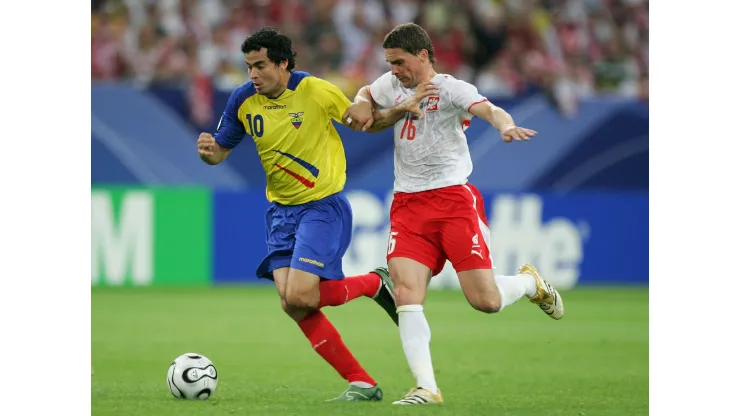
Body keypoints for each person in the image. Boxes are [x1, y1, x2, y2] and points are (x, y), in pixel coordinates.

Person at [343, 23, 565, 405]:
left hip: (452, 202)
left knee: (486, 301)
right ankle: (426, 387)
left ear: (423, 56)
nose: (393, 70)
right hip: (408, 205)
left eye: (399, 62)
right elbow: (368, 100)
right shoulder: (393, 85)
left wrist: (506, 125)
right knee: (407, 294)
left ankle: (531, 284)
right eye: (389, 63)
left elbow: (488, 108)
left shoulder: (450, 88)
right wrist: (366, 100)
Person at [197, 27, 397, 402]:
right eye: (248, 67)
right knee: (292, 304)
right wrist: (208, 151)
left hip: (322, 207)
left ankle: (374, 283)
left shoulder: (315, 90)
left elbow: (361, 122)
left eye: (260, 66)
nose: (253, 74)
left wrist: (370, 109)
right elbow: (218, 153)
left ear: (283, 63)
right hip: (280, 213)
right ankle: (362, 383)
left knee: (303, 294)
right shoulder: (243, 100)